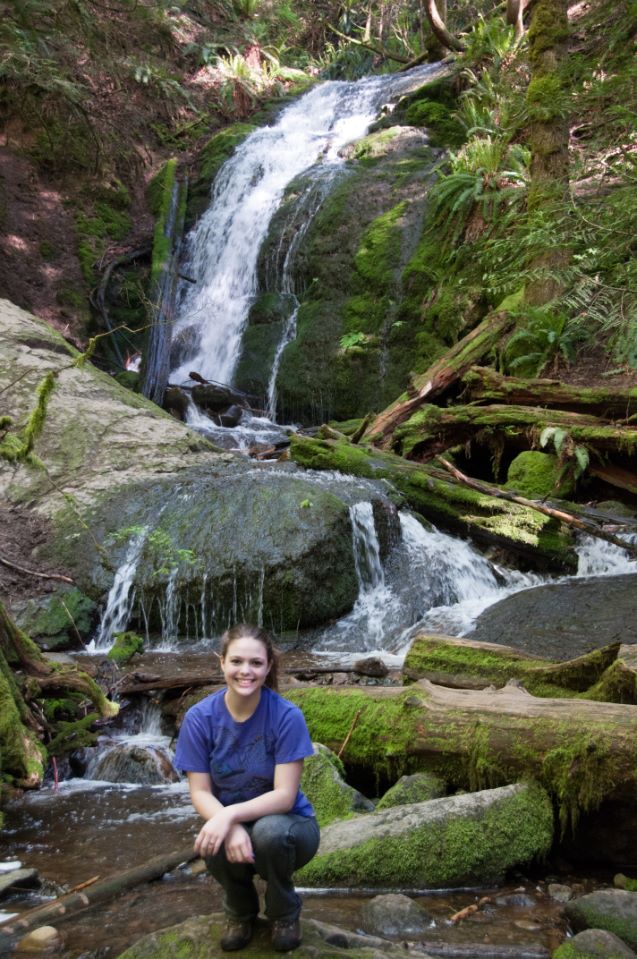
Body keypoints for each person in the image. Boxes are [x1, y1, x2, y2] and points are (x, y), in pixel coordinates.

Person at [174, 624, 320, 952]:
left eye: (256, 663)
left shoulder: (286, 717)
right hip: (236, 820)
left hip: (291, 827)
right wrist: (229, 824)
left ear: (268, 666)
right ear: (221, 662)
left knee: (267, 833)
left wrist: (229, 817)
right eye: (237, 661)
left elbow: (284, 796)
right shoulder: (200, 719)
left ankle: (284, 912)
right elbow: (199, 792)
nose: (246, 671)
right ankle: (240, 912)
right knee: (213, 836)